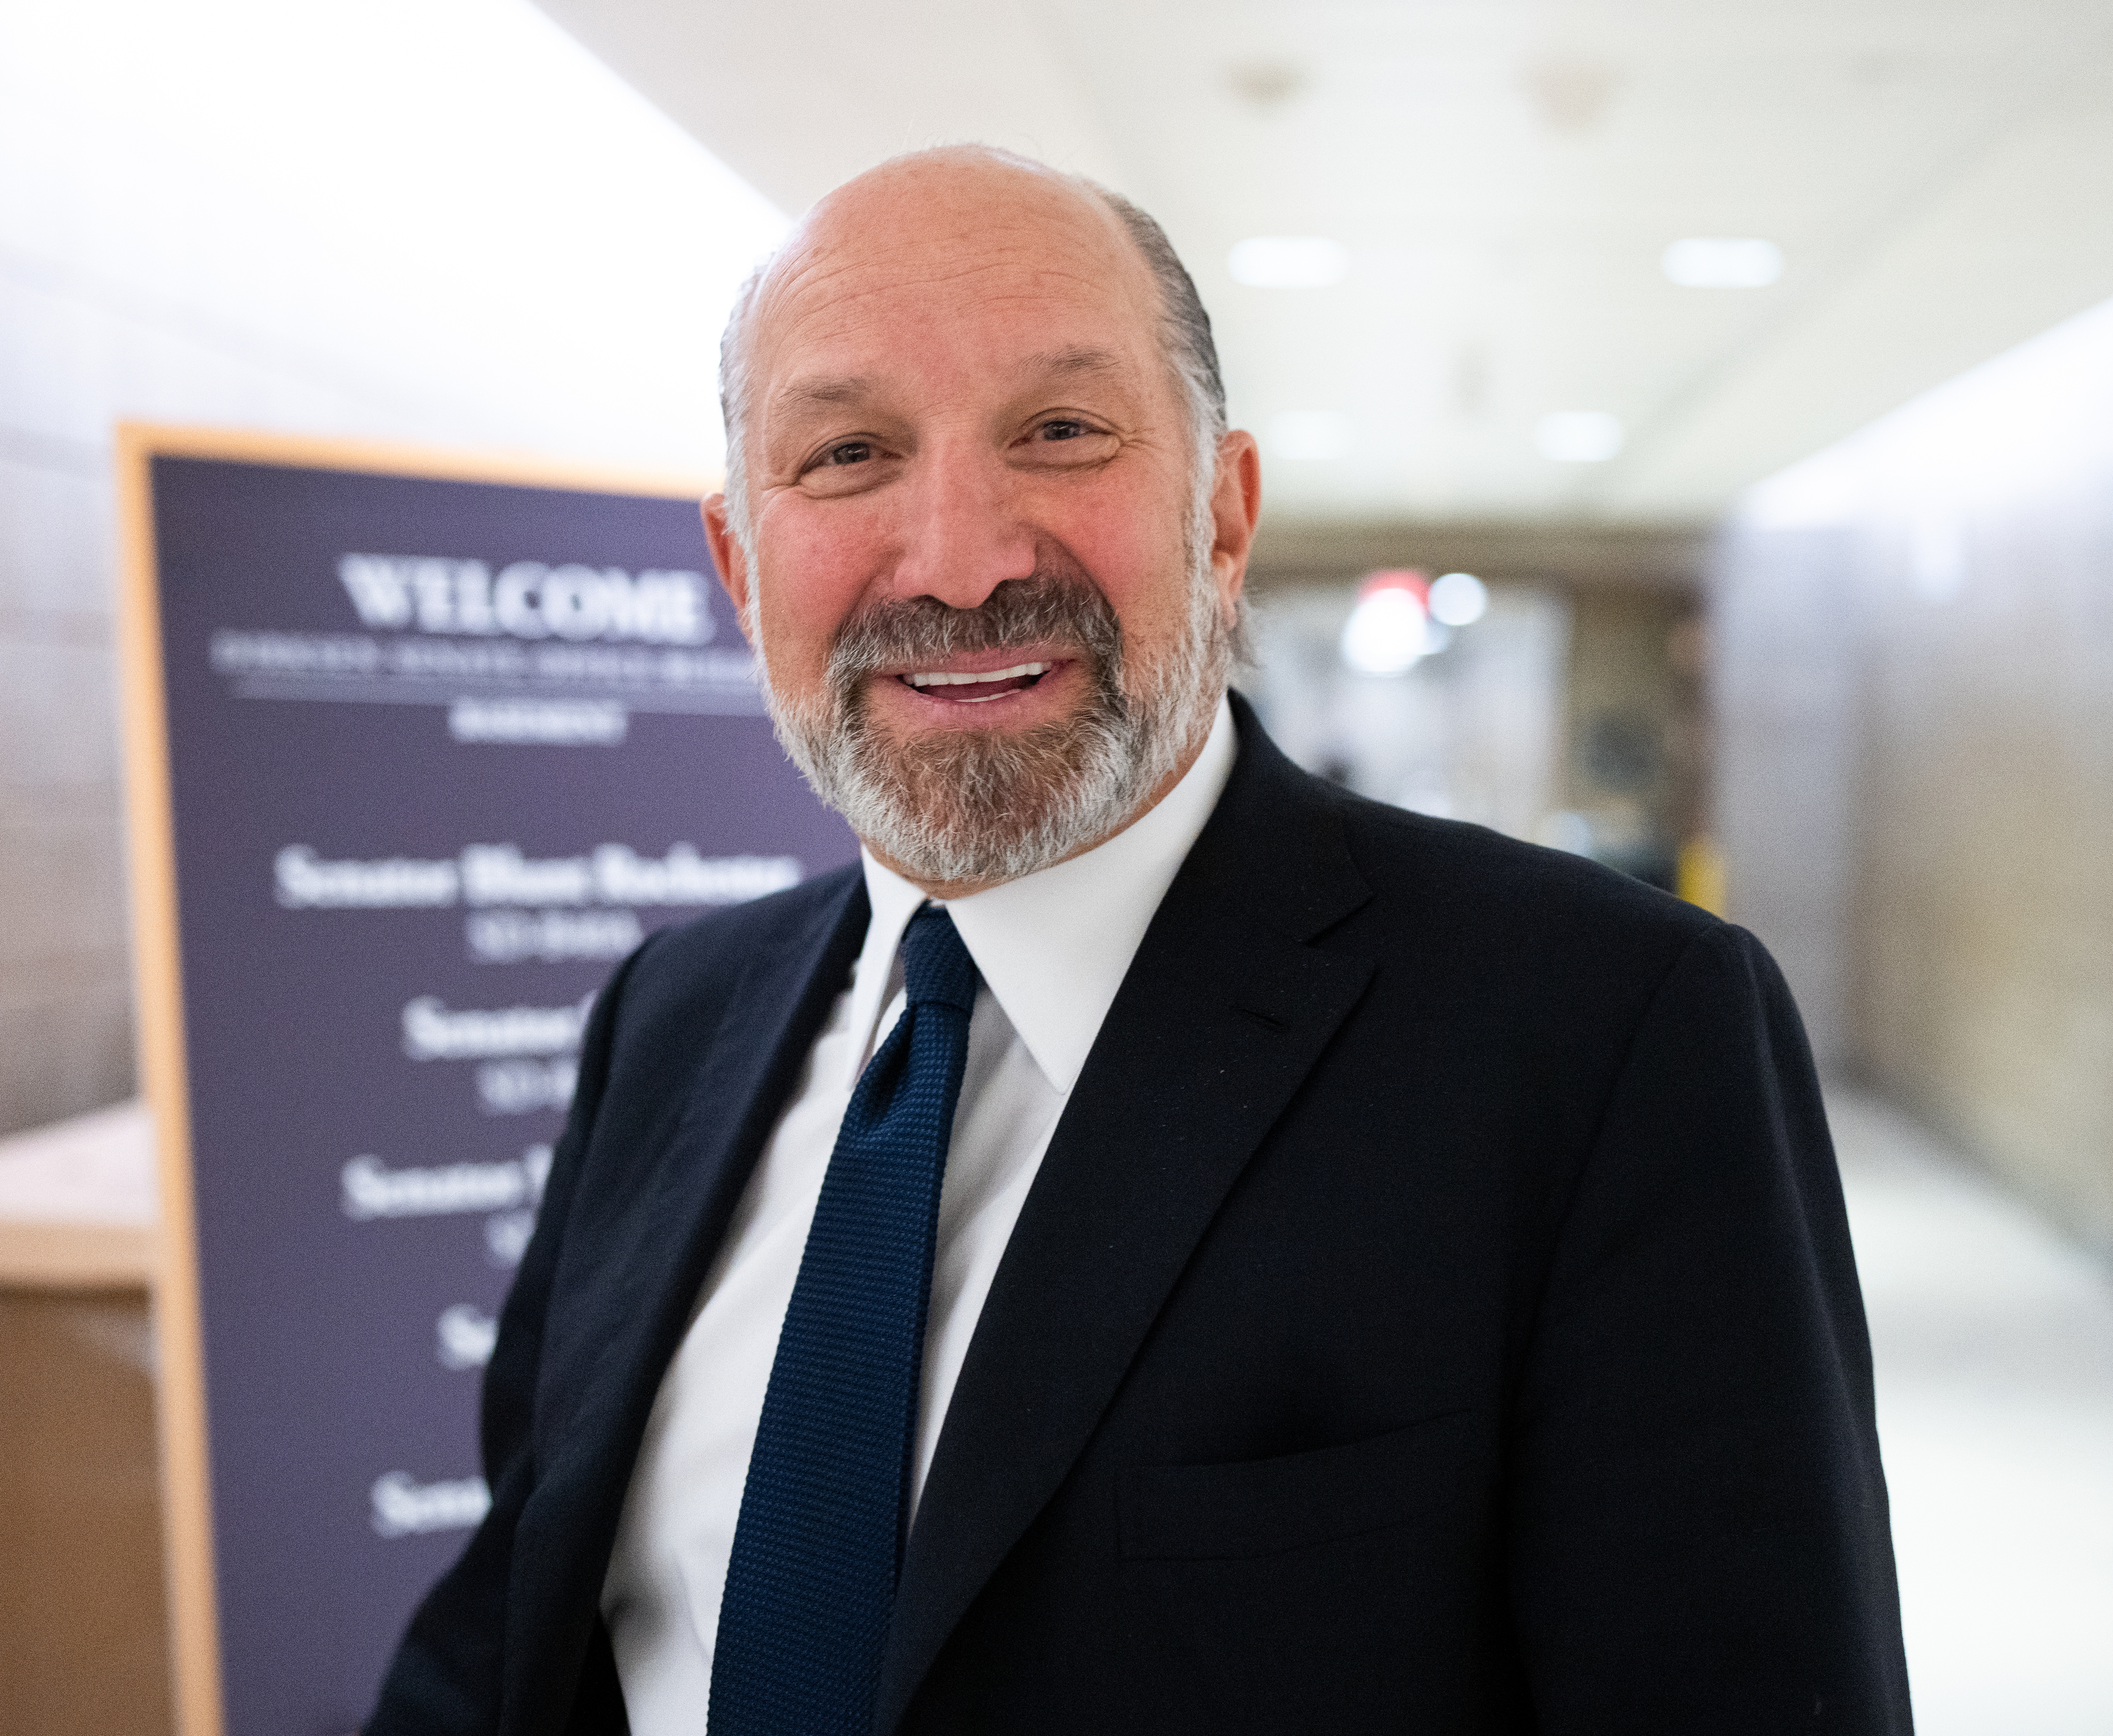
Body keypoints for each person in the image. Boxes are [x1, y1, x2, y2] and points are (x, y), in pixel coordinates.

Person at [366, 146, 1909, 1736]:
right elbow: (507, 1643)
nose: (960, 558)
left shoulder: (1602, 1034)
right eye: (844, 453)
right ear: (738, 565)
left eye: (1058, 431)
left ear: (1222, 514)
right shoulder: (671, 1019)